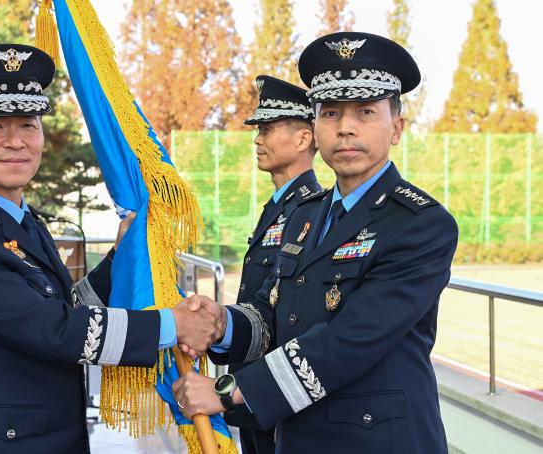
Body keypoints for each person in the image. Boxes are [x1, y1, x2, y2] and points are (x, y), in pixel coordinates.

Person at [0, 43, 223, 454]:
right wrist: (172, 325)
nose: (16, 142)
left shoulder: (20, 221)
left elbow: (67, 307)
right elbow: (53, 329)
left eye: (28, 125)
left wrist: (121, 258)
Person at [173, 32, 458, 454]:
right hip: (298, 435)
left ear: (396, 127)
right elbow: (274, 316)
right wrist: (222, 324)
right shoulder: (305, 214)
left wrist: (229, 390)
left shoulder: (422, 224)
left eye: (365, 111)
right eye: (330, 113)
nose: (345, 127)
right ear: (316, 126)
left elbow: (350, 340)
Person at [226, 75, 324, 454]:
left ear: (303, 139)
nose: (257, 139)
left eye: (267, 129)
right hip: (253, 381)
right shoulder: (280, 206)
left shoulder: (310, 209)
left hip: (280, 388)